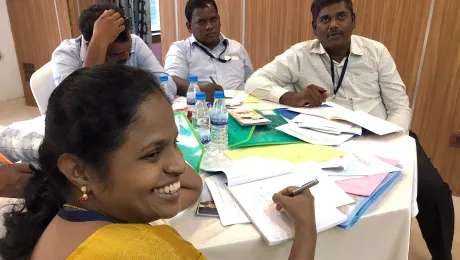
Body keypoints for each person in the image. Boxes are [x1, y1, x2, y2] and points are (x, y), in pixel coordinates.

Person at [0, 64, 317, 260]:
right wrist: (305, 227)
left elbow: (189, 185)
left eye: (176, 142)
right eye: (152, 153)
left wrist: (162, 154)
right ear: (80, 171)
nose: (179, 164)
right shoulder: (140, 252)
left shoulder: (62, 216)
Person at [245, 0, 455, 259]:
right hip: (327, 143)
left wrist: (390, 138)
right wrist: (290, 96)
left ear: (353, 20)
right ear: (314, 27)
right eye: (325, 19)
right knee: (329, 202)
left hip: (386, 138)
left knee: (435, 192)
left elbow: (400, 106)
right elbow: (254, 81)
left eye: (341, 16)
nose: (333, 25)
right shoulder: (299, 55)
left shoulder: (376, 52)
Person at [52, 4, 176, 101]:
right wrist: (97, 45)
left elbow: (168, 85)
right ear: (89, 45)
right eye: (117, 54)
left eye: (128, 48)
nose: (127, 56)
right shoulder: (66, 54)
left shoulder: (135, 42)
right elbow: (74, 105)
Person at [165, 0, 254, 101]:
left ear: (219, 20)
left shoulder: (237, 48)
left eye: (213, 19)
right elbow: (170, 80)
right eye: (201, 22)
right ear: (189, 26)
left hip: (242, 111)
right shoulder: (180, 49)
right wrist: (198, 90)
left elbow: (252, 82)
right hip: (202, 110)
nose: (209, 26)